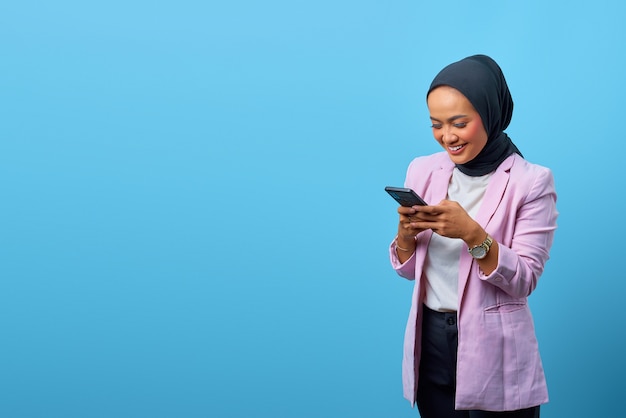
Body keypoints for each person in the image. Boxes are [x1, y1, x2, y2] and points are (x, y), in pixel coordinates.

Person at [389, 55, 557, 418]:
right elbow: (408, 271)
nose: (447, 136)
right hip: (430, 338)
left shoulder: (531, 182)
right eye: (436, 124)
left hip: (495, 347)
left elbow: (525, 279)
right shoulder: (422, 170)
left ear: (490, 112)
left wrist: (473, 235)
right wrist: (405, 236)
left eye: (459, 123)